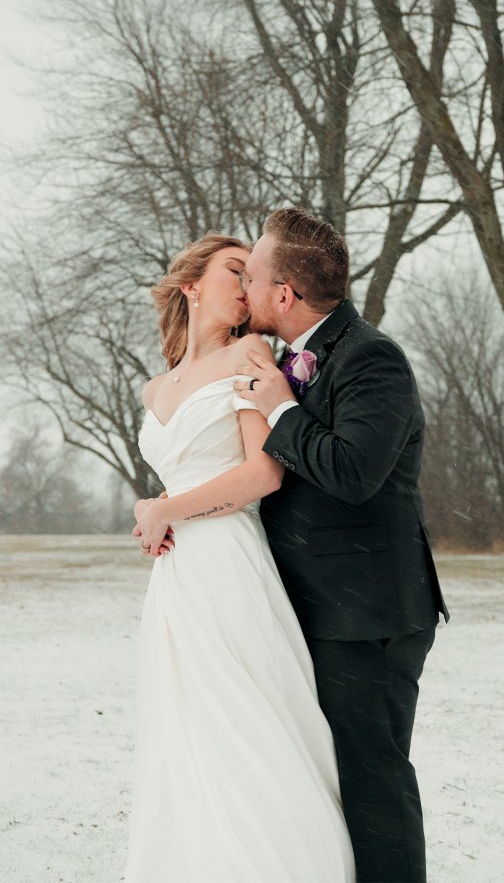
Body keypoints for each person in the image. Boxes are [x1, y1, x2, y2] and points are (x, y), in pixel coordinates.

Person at [125, 232, 355, 883]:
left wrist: (165, 510)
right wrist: (158, 510)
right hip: (176, 583)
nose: (248, 282)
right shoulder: (154, 388)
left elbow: (263, 475)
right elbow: (181, 479)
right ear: (191, 285)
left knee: (247, 729)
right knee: (187, 739)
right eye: (235, 270)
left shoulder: (250, 355)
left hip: (230, 564)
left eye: (253, 273)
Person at [232, 207, 450, 883]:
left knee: (373, 780)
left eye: (253, 277)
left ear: (284, 295)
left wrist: (282, 409)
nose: (245, 290)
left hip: (370, 619)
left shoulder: (371, 358)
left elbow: (355, 474)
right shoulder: (286, 358)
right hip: (316, 612)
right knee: (324, 779)